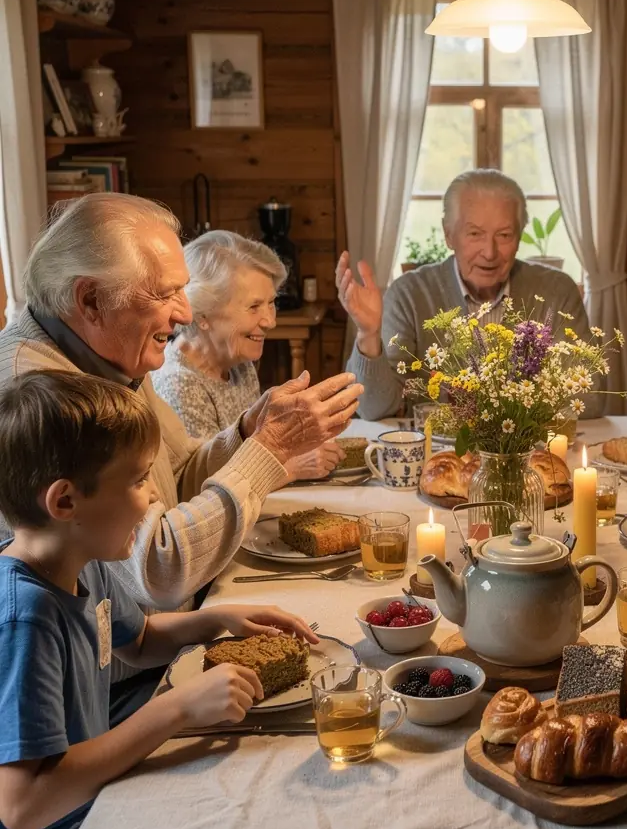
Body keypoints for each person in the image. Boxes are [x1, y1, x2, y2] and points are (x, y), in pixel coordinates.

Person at [0, 371, 318, 829]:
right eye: (139, 481)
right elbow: (24, 806)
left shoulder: (82, 561)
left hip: (90, 812)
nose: (150, 499)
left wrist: (214, 620)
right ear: (66, 500)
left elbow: (140, 641)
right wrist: (172, 711)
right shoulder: (25, 618)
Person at [0, 194, 362, 627]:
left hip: (152, 645)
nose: (186, 312)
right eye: (165, 292)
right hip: (113, 683)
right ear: (92, 300)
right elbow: (160, 567)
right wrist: (269, 450)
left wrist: (248, 433)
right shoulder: (39, 394)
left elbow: (179, 476)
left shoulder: (110, 352)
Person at [337, 168, 595, 422]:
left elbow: (585, 400)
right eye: (475, 234)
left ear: (519, 236)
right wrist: (368, 334)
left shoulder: (556, 291)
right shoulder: (409, 294)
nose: (490, 252)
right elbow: (373, 409)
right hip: (434, 457)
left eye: (504, 235)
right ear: (449, 235)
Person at [152, 230, 340, 480]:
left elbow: (254, 448)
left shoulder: (239, 363)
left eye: (271, 303)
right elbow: (203, 485)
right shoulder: (179, 384)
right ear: (202, 315)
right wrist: (290, 468)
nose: (270, 321)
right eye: (254, 307)